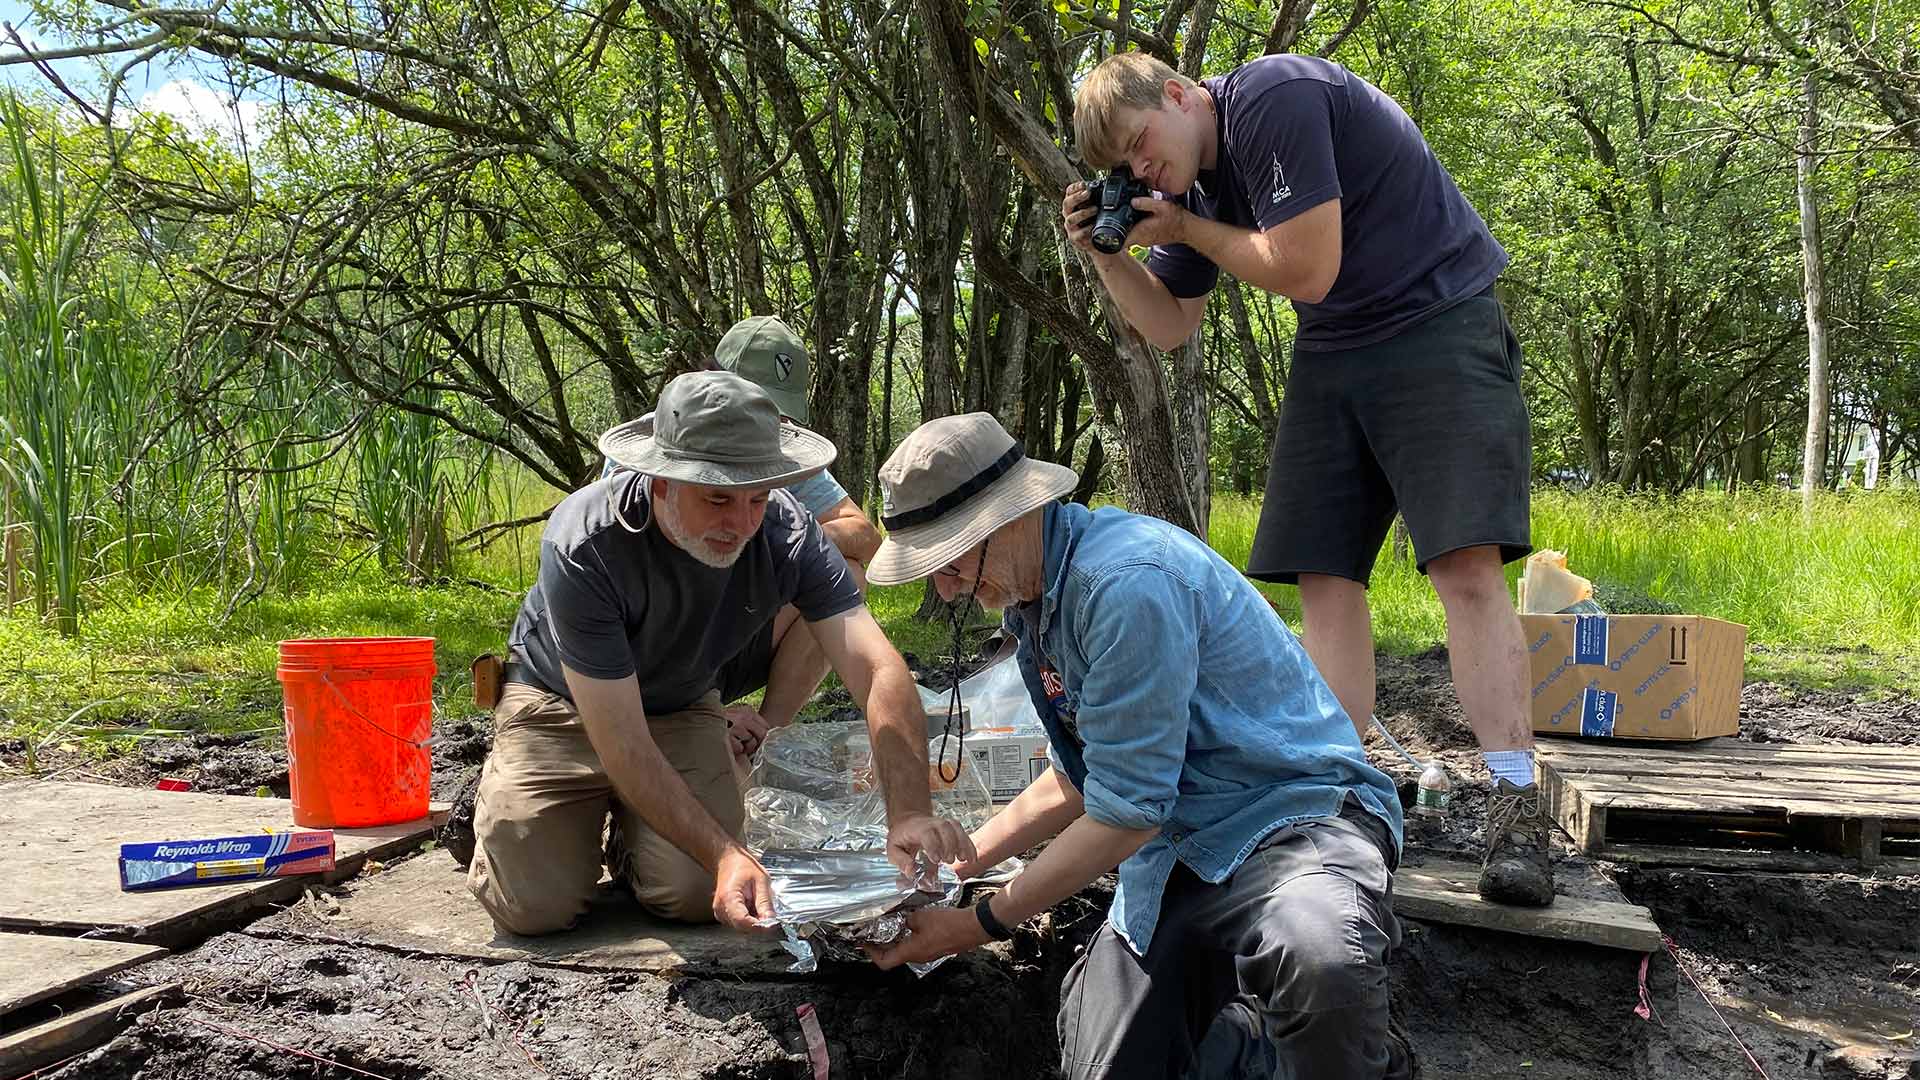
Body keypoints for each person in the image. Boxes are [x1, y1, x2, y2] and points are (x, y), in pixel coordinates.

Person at [1061, 50, 1553, 906]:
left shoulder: (1272, 97)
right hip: (1336, 345)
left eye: (1142, 145)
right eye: (1126, 168)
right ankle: (1339, 794)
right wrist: (1108, 257)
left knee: (1463, 569)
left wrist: (1178, 229)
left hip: (1436, 315)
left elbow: (1306, 265)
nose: (1142, 172)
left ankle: (1515, 804)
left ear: (1179, 94)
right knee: (1324, 576)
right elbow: (1169, 326)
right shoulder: (1192, 194)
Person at [863, 413, 1412, 1079]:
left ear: (1008, 518)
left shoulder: (1125, 584)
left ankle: (1360, 1058)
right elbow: (1086, 777)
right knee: (1110, 1064)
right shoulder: (1037, 597)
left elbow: (1128, 809)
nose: (944, 587)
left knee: (1324, 957)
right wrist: (964, 863)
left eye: (948, 560)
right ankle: (1251, 1044)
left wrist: (979, 922)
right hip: (1180, 851)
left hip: (1290, 819)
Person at [466, 371, 971, 935]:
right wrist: (727, 852)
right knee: (534, 908)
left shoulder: (787, 533)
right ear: (659, 481)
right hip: (560, 705)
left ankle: (635, 847)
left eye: (757, 498)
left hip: (680, 705)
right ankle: (507, 817)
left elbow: (878, 670)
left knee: (692, 894)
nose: (741, 524)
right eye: (717, 499)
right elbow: (623, 740)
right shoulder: (587, 542)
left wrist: (908, 811)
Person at [602, 316, 883, 765]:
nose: (764, 426)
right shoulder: (663, 445)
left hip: (732, 634)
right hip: (651, 653)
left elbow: (863, 535)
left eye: (777, 414)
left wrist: (774, 544)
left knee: (844, 573)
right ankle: (691, 719)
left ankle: (764, 735)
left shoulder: (779, 449)